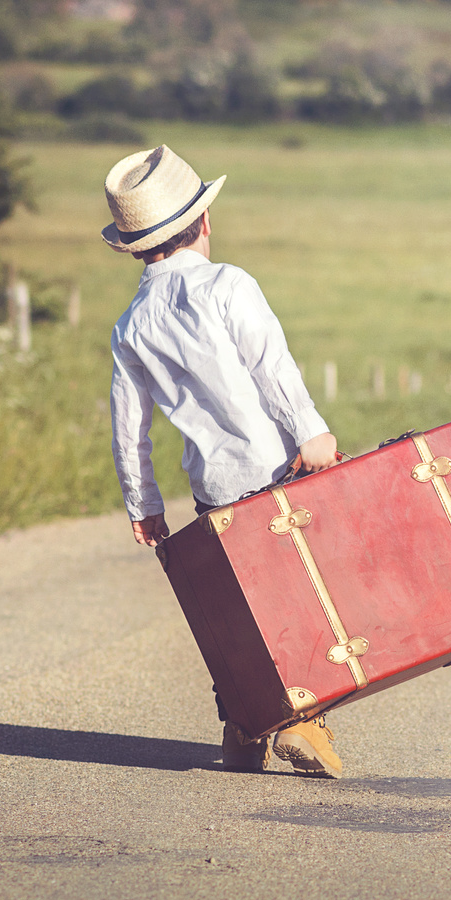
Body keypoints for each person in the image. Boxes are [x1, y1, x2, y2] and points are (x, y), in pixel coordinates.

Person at [103, 144, 344, 778]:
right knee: (292, 601)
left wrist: (144, 503)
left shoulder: (131, 325)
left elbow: (130, 428)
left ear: (134, 247)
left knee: (238, 608)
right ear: (204, 222)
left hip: (211, 483)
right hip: (273, 472)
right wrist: (312, 433)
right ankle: (299, 722)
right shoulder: (229, 284)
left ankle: (242, 732)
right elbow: (273, 369)